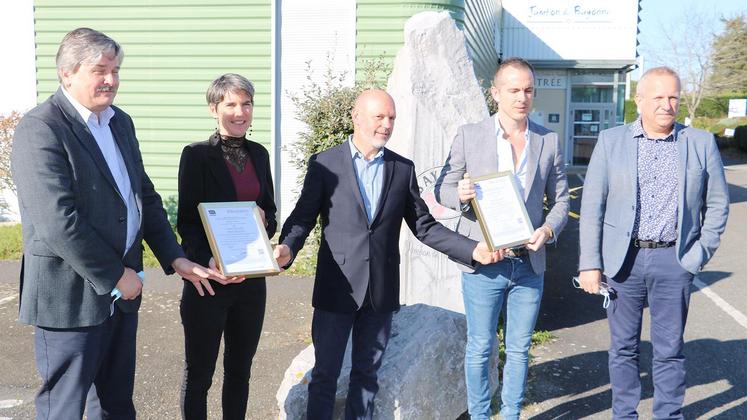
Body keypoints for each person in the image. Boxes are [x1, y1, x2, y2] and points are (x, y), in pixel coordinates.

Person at [10, 28, 226, 419]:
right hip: (69, 298)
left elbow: (143, 198)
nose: (111, 80)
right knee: (64, 407)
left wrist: (175, 258)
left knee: (115, 407)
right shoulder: (41, 129)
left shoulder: (119, 122)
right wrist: (116, 276)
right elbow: (57, 222)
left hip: (121, 297)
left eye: (115, 70)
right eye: (100, 70)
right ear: (67, 73)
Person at [273, 89, 500, 420]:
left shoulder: (402, 169)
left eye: (391, 117)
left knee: (366, 379)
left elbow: (425, 227)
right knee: (325, 376)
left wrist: (473, 249)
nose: (387, 124)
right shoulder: (325, 164)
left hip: (380, 294)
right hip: (337, 290)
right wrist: (287, 248)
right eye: (379, 116)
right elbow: (303, 217)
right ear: (357, 117)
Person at [577, 66, 729, 419]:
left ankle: (667, 415)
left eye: (673, 96)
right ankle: (624, 415)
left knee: (670, 350)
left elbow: (718, 204)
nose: (667, 104)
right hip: (622, 262)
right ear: (639, 100)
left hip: (674, 261)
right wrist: (589, 263)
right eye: (658, 97)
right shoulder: (611, 141)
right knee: (623, 349)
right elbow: (592, 205)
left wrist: (697, 255)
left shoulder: (701, 143)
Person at [434, 57, 569, 419]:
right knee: (480, 347)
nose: (521, 97)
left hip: (528, 264)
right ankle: (480, 416)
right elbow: (442, 188)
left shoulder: (548, 140)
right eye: (513, 90)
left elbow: (562, 200)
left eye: (527, 90)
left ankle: (510, 415)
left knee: (520, 348)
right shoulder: (470, 134)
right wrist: (459, 193)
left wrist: (549, 229)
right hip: (485, 263)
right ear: (495, 93)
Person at [176, 73, 277, 419]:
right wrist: (206, 261)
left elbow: (271, 215)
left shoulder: (260, 155)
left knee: (240, 372)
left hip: (250, 283)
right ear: (213, 109)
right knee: (199, 375)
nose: (240, 112)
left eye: (246, 103)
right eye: (231, 104)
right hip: (208, 282)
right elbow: (187, 222)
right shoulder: (196, 156)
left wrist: (265, 220)